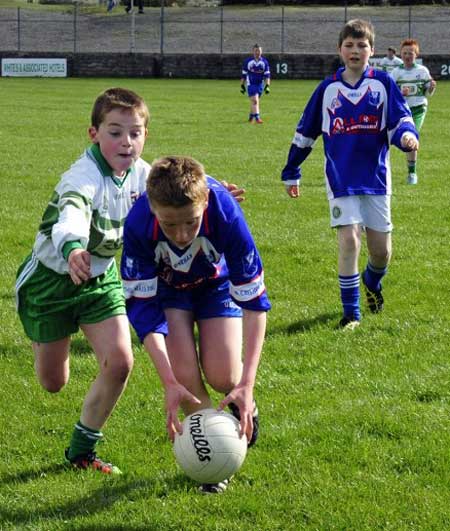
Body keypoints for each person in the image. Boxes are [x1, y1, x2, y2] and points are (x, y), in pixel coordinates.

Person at [14, 87, 245, 475]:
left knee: (121, 361)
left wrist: (216, 191)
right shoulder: (82, 176)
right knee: (54, 382)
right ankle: (44, 335)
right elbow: (71, 211)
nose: (126, 142)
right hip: (49, 283)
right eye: (115, 132)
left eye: (135, 133)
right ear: (94, 134)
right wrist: (72, 248)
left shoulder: (142, 174)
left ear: (145, 136)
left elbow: (174, 180)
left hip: (99, 278)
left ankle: (81, 452)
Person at [121, 155, 271, 493]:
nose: (181, 234)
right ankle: (215, 461)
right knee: (186, 381)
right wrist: (168, 381)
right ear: (153, 208)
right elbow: (142, 310)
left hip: (216, 288)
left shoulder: (226, 213)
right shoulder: (138, 223)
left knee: (224, 376)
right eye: (170, 224)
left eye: (190, 222)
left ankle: (244, 403)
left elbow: (255, 302)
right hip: (169, 293)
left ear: (205, 202)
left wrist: (247, 384)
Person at [281, 19, 419, 330]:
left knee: (381, 251)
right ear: (340, 49)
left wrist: (407, 137)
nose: (355, 51)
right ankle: (351, 313)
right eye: (349, 45)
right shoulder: (328, 88)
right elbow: (305, 132)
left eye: (362, 45)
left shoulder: (383, 84)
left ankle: (372, 280)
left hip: (376, 180)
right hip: (340, 179)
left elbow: (401, 121)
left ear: (372, 50)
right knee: (348, 241)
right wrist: (292, 170)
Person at [391, 38, 436, 185]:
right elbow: (390, 93)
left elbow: (428, 92)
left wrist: (431, 87)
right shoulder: (396, 72)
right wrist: (399, 93)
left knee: (411, 136)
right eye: (404, 53)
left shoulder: (422, 71)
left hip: (417, 109)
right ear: (401, 54)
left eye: (410, 53)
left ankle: (412, 174)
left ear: (416, 54)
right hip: (402, 111)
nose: (407, 56)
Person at [240, 44, 271, 124]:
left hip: (260, 84)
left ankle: (251, 116)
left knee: (254, 101)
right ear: (253, 51)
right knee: (255, 100)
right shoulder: (248, 62)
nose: (257, 52)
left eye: (259, 51)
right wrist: (242, 85)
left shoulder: (264, 62)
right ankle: (257, 118)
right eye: (256, 51)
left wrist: (267, 86)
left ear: (261, 52)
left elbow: (267, 75)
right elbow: (243, 74)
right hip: (251, 84)